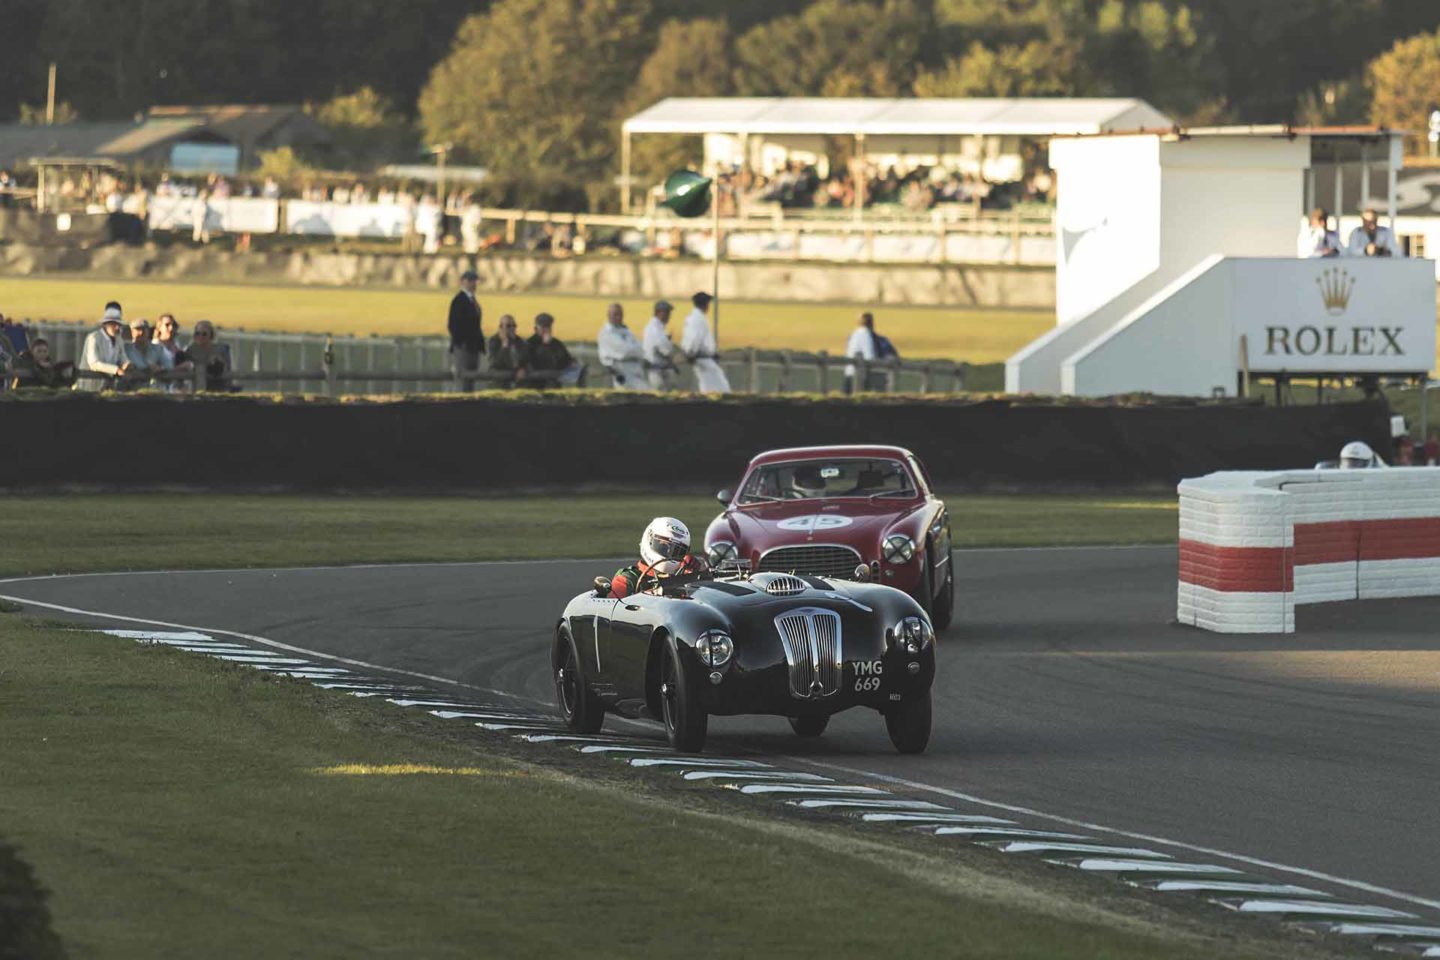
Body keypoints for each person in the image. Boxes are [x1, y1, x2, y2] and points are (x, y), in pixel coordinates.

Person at [608, 517, 710, 599]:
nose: (670, 553)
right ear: (649, 540)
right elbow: (614, 611)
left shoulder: (683, 575)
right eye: (664, 547)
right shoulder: (628, 578)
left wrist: (692, 578)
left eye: (677, 551)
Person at [680, 292, 730, 394]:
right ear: (705, 304)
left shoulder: (692, 318)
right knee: (718, 387)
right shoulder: (699, 319)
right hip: (702, 358)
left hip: (701, 358)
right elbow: (695, 338)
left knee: (710, 385)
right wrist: (692, 353)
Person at [76, 305, 130, 391]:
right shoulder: (93, 338)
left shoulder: (119, 339)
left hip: (107, 386)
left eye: (118, 324)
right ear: (106, 324)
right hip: (89, 386)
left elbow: (123, 357)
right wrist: (116, 370)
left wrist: (127, 365)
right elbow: (94, 364)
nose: (117, 327)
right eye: (113, 324)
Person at [448, 269, 484, 392]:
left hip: (472, 346)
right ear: (462, 282)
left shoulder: (472, 300)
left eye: (474, 280)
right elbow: (453, 325)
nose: (473, 283)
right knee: (464, 379)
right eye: (470, 280)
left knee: (470, 380)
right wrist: (461, 343)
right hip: (464, 347)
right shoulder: (459, 300)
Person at [597, 302, 645, 389]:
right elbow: (624, 352)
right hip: (619, 373)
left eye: (620, 314)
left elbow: (641, 348)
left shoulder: (625, 330)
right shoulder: (607, 333)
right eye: (615, 314)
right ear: (608, 315)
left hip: (634, 372)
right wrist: (637, 349)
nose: (618, 317)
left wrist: (636, 349)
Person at [525, 313, 582, 387]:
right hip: (535, 384)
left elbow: (566, 359)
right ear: (535, 328)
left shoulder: (556, 343)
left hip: (554, 384)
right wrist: (546, 346)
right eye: (543, 327)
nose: (546, 330)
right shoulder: (530, 343)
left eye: (548, 327)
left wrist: (573, 363)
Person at [844, 312, 888, 394]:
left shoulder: (854, 334)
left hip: (849, 372)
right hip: (860, 376)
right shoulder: (866, 334)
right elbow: (869, 357)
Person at [123, 318, 173, 387]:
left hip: (156, 388)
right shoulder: (126, 349)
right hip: (132, 388)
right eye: (138, 330)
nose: (141, 333)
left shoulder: (158, 348)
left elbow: (169, 366)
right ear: (132, 332)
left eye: (144, 330)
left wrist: (160, 369)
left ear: (148, 331)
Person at [185, 320, 232, 391]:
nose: (200, 336)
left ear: (211, 335)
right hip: (196, 389)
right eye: (197, 333)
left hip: (218, 387)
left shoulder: (221, 349)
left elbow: (227, 370)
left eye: (204, 334)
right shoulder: (190, 350)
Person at [642, 299, 678, 390]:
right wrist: (670, 346)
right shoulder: (655, 328)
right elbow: (665, 350)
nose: (669, 315)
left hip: (660, 371)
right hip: (658, 372)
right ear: (659, 312)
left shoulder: (657, 327)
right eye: (667, 312)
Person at [10, 338, 74, 389]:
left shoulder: (49, 364)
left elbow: (50, 381)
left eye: (45, 351)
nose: (42, 354)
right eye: (39, 351)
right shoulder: (23, 361)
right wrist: (38, 366)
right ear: (32, 352)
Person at [486, 314, 529, 385]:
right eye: (508, 326)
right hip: (499, 376)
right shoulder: (494, 341)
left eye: (514, 326)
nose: (512, 328)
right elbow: (496, 363)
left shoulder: (519, 341)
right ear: (501, 327)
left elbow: (525, 359)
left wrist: (523, 368)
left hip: (517, 376)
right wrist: (504, 345)